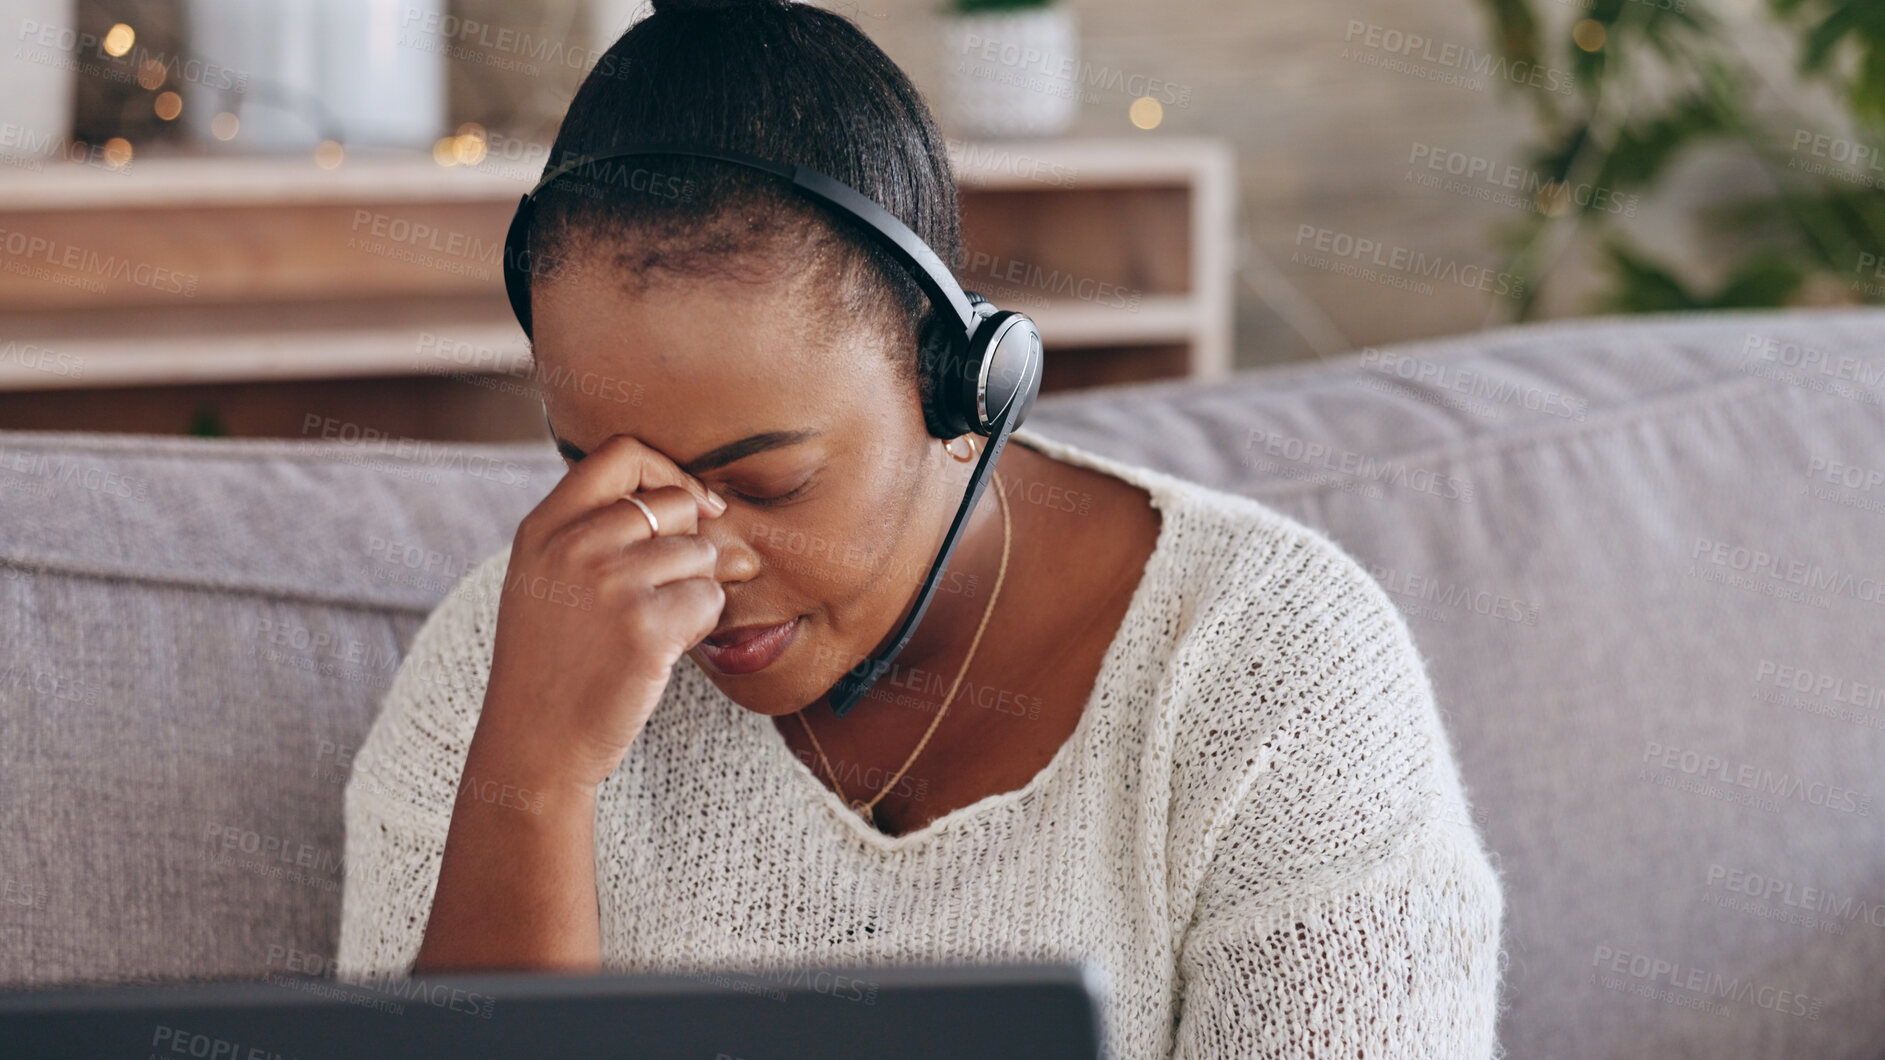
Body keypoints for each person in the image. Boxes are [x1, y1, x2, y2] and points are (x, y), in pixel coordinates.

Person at [337, 1, 1508, 1055]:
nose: (695, 562)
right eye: (603, 471)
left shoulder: (1276, 676)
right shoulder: (501, 668)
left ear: (964, 391)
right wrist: (533, 781)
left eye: (772, 480)